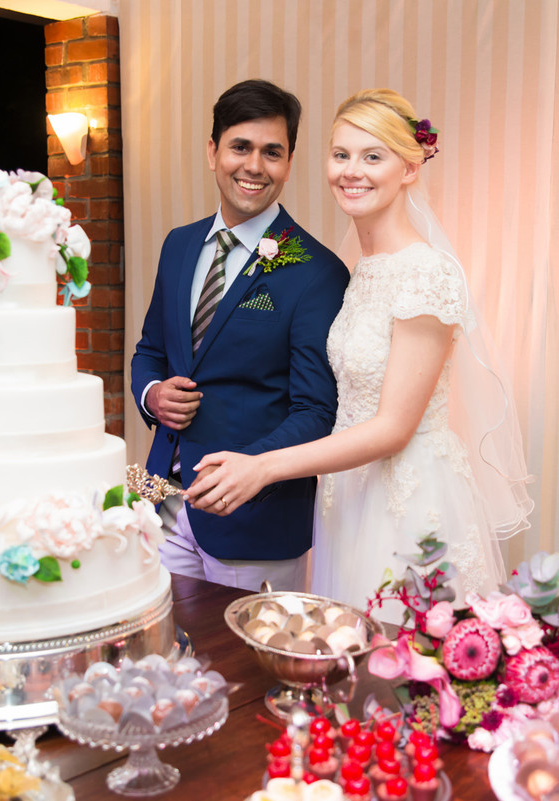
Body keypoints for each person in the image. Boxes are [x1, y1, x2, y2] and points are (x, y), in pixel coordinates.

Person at [186, 89, 534, 618]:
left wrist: (261, 466)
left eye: (373, 156)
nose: (353, 171)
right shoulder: (360, 268)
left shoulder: (426, 273)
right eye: (341, 154)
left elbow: (394, 427)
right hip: (348, 495)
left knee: (401, 666)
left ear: (411, 168)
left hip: (407, 498)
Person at [130, 79, 349, 592]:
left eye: (272, 152)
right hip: (161, 503)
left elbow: (316, 411)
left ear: (289, 162)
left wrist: (250, 467)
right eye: (240, 147)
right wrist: (152, 395)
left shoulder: (317, 272)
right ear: (213, 152)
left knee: (247, 670)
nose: (254, 166)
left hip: (255, 519)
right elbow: (150, 351)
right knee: (166, 660)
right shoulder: (179, 245)